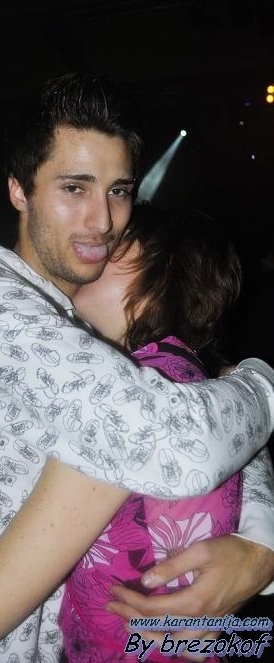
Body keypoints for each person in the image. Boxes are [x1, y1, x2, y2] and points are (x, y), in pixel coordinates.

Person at [0, 72, 274, 663]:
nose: (103, 222)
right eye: (75, 187)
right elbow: (182, 440)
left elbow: (209, 435)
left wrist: (260, 548)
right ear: (18, 190)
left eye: (118, 190)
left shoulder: (98, 348)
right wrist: (262, 380)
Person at [58, 204, 244, 662]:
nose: (91, 258)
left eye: (112, 248)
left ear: (164, 269)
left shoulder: (154, 391)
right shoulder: (164, 374)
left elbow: (190, 626)